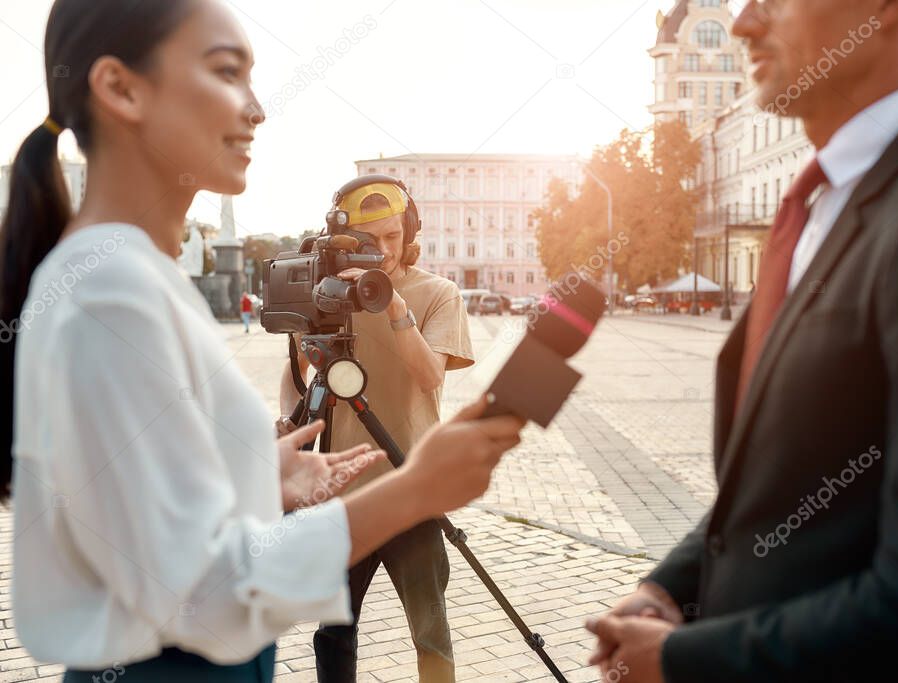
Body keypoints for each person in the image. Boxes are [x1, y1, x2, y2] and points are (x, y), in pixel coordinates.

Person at [0, 1, 524, 681]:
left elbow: (150, 518)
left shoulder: (117, 275)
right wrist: (415, 488)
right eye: (226, 72)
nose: (256, 108)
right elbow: (202, 594)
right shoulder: (112, 293)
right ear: (121, 87)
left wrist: (252, 474)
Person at [586, 0, 898, 681]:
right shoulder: (818, 208)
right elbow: (787, 483)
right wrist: (672, 587)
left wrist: (681, 659)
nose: (742, 24)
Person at [277, 176, 473, 683]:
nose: (383, 251)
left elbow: (430, 375)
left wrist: (392, 306)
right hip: (343, 494)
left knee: (430, 630)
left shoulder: (437, 293)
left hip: (412, 484)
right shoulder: (330, 297)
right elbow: (298, 370)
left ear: (409, 230)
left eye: (392, 237)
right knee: (334, 632)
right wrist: (287, 421)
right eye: (370, 242)